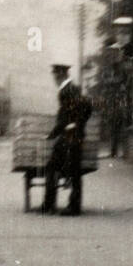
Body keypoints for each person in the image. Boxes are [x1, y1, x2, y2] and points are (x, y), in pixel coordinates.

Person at [40, 63, 92, 215]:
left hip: (70, 138)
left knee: (53, 167)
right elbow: (86, 107)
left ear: (61, 75)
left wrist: (71, 126)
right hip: (74, 136)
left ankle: (51, 204)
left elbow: (64, 117)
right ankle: (68, 205)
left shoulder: (66, 91)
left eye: (55, 76)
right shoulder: (73, 89)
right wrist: (78, 124)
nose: (54, 79)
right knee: (74, 171)